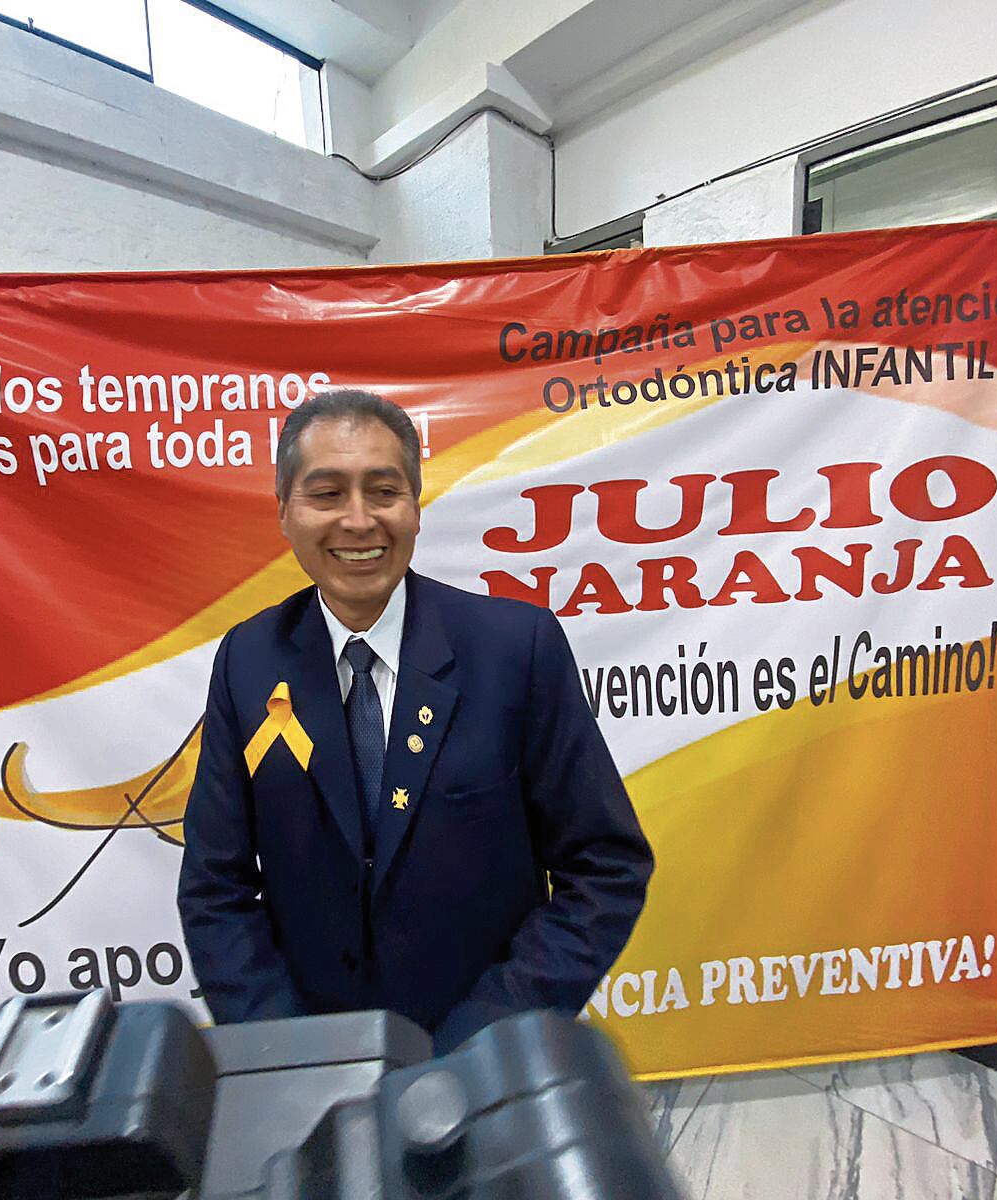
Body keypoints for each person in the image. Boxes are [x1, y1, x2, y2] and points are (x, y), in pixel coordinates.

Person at [176, 389, 653, 1051]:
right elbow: (215, 888)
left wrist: (483, 1041)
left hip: (486, 1065)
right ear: (284, 511)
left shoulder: (516, 649)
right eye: (326, 493)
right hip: (313, 1070)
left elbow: (605, 868)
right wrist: (289, 1054)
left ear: (416, 507)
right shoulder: (248, 660)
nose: (358, 520)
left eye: (384, 491)